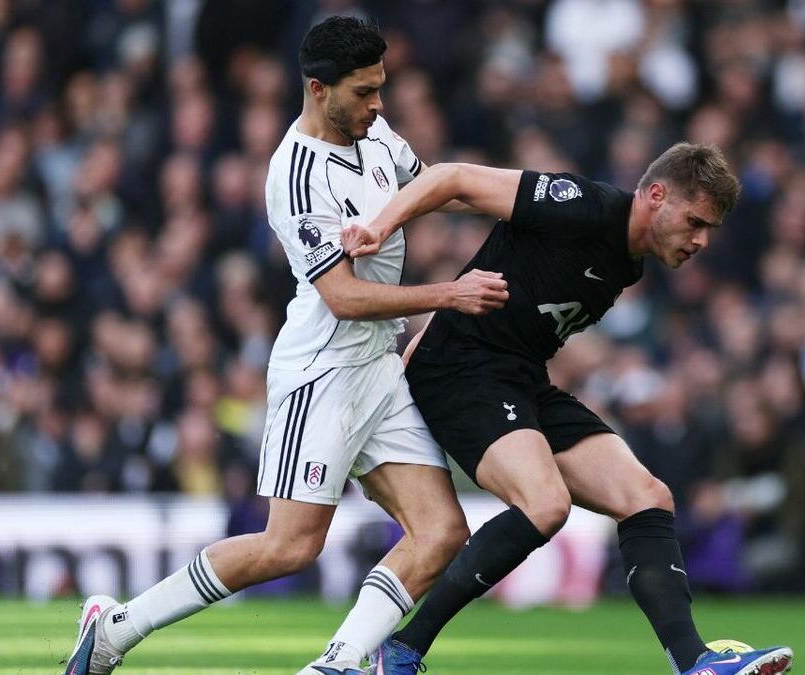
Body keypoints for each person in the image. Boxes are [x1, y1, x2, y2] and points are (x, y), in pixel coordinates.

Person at [63, 17, 509, 675]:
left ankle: (337, 662)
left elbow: (430, 184)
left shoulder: (376, 132)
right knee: (289, 545)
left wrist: (528, 204)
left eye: (380, 89)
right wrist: (450, 294)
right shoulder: (295, 174)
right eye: (365, 92)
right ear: (319, 89)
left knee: (441, 530)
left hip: (380, 368)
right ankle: (115, 629)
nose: (378, 105)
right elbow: (345, 297)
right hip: (322, 369)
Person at [344, 145, 794, 675]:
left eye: (709, 229)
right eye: (695, 222)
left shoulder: (629, 266)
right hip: (462, 373)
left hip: (520, 378)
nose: (701, 240)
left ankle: (695, 663)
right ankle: (400, 651)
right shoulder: (580, 205)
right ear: (655, 196)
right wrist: (378, 226)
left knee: (647, 497)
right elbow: (455, 177)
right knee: (544, 504)